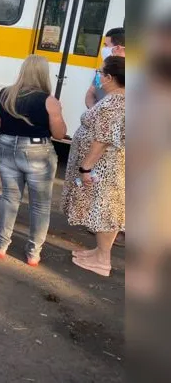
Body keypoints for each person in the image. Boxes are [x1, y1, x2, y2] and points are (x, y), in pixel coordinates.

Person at [0, 55, 67, 266]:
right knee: (40, 205)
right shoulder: (50, 101)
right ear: (43, 73)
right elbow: (59, 134)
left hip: (6, 146)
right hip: (38, 151)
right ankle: (33, 253)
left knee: (9, 198)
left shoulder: (4, 94)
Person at [64, 56, 125, 277]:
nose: (98, 76)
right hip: (109, 165)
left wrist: (86, 168)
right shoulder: (120, 99)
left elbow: (103, 139)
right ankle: (99, 251)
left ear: (109, 77)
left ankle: (102, 260)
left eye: (100, 73)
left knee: (105, 209)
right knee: (104, 208)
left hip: (104, 167)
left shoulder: (114, 102)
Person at [85, 27, 125, 108]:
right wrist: (95, 112)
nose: (103, 49)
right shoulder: (103, 68)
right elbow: (91, 92)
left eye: (106, 45)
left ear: (117, 48)